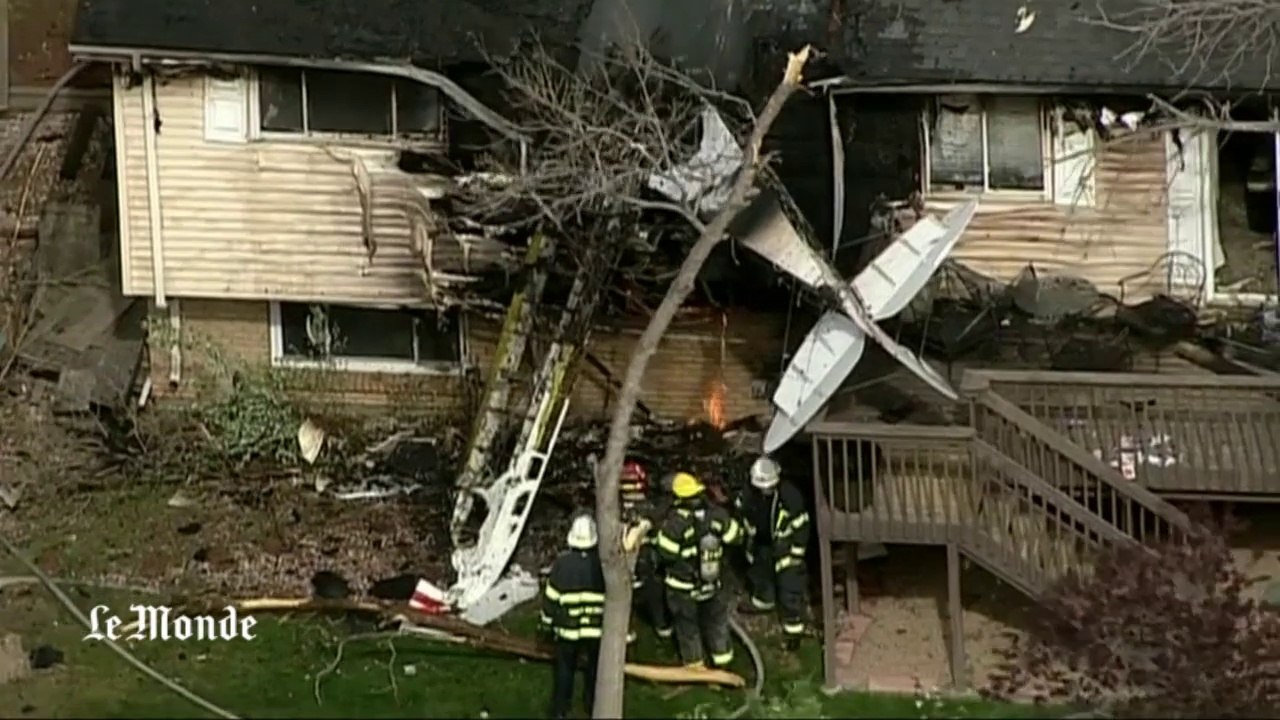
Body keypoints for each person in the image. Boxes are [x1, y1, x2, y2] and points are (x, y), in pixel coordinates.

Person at [654, 471, 742, 668]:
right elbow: (736, 537)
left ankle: (696, 669)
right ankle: (723, 664)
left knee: (688, 629)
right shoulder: (717, 514)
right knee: (717, 625)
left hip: (682, 588)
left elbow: (665, 554)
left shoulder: (675, 523)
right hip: (712, 585)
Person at [735, 455, 811, 650]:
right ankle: (763, 601)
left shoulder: (790, 496)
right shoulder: (749, 494)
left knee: (789, 588)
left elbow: (801, 526)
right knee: (761, 574)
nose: (766, 491)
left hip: (786, 548)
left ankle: (794, 631)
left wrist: (796, 553)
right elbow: (744, 515)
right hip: (762, 544)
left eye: (769, 487)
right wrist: (748, 542)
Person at [540, 513, 606, 719]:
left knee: (564, 670)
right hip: (596, 629)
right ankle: (592, 705)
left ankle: (560, 710)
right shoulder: (602, 565)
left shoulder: (562, 565)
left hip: (568, 630)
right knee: (595, 670)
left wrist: (546, 624)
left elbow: (551, 599)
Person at [621, 461, 673, 640]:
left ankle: (627, 631)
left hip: (625, 562)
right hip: (648, 562)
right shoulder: (651, 508)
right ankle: (662, 625)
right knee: (655, 594)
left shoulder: (615, 509)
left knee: (624, 598)